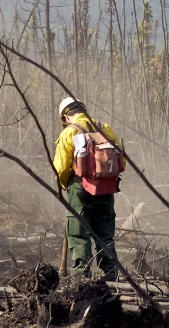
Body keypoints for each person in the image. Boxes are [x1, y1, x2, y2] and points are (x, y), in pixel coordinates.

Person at [53, 96, 125, 280]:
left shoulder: (69, 132)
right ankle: (110, 277)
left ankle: (80, 278)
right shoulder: (105, 128)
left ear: (66, 117)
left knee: (78, 234)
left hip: (80, 188)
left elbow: (60, 168)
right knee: (104, 235)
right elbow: (120, 160)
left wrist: (66, 185)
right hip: (107, 188)